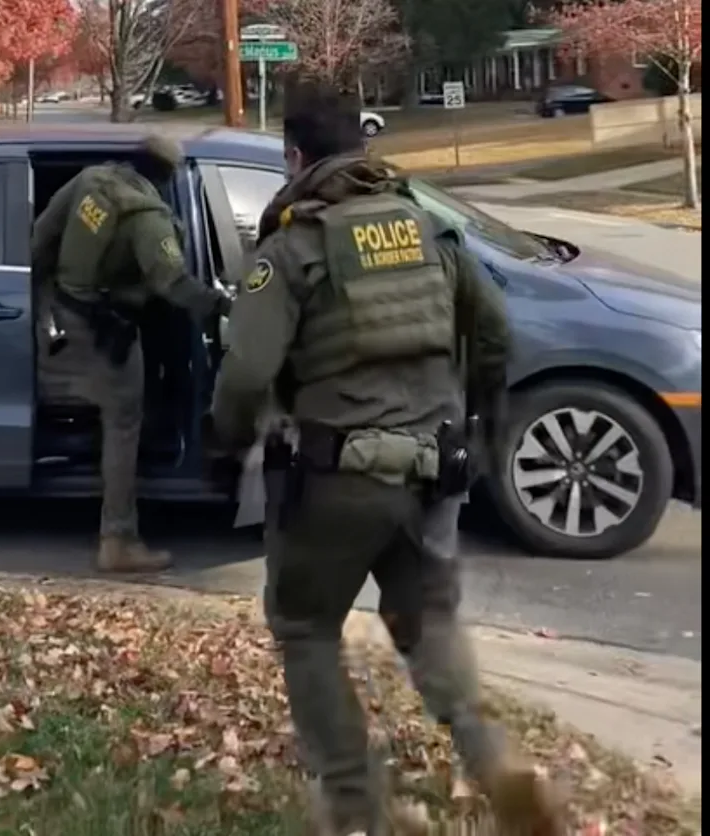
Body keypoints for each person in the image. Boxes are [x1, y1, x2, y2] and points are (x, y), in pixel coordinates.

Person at [209, 83, 565, 836]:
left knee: (306, 628)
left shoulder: (294, 247)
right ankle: (496, 760)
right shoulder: (429, 230)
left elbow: (244, 374)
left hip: (336, 479)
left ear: (294, 156)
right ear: (362, 147)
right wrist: (479, 426)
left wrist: (229, 441)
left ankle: (352, 803)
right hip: (433, 471)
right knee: (427, 621)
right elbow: (495, 336)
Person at [33, 134, 232, 573]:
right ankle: (118, 539)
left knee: (110, 412)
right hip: (107, 328)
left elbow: (42, 236)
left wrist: (40, 303)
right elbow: (174, 285)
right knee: (124, 422)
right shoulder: (148, 216)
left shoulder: (90, 181)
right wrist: (226, 305)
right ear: (168, 176)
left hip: (67, 310)